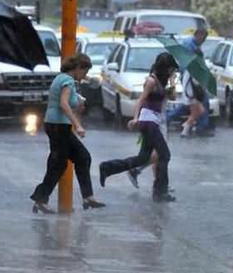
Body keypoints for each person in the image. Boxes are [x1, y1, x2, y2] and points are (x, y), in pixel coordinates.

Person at [30, 54, 105, 213]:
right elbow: (63, 104)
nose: (84, 76)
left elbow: (65, 100)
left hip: (56, 125)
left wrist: (78, 102)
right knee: (59, 164)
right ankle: (41, 198)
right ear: (77, 68)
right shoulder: (68, 81)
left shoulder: (61, 79)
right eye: (84, 72)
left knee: (80, 158)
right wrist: (78, 125)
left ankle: (87, 197)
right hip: (58, 126)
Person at [99, 53, 178, 202]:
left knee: (143, 158)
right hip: (148, 122)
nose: (171, 72)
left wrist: (173, 82)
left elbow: (172, 97)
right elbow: (141, 100)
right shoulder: (151, 80)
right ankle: (160, 192)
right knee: (164, 155)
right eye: (170, 69)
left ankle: (107, 168)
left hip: (153, 121)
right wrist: (135, 118)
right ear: (164, 67)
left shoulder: (162, 82)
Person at [176, 28, 213, 137]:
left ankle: (187, 127)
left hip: (192, 84)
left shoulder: (194, 45)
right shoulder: (189, 45)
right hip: (191, 85)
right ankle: (195, 127)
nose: (204, 41)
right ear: (198, 35)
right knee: (199, 106)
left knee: (196, 108)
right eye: (204, 38)